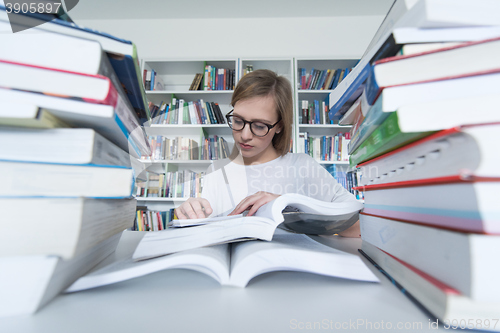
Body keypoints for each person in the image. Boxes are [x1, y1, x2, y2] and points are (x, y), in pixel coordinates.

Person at [175, 69, 361, 237]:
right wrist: (190, 215)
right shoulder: (216, 170)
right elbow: (206, 233)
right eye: (238, 120)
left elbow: (358, 227)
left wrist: (288, 204)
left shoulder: (302, 166)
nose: (245, 135)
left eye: (259, 126)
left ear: (279, 126)